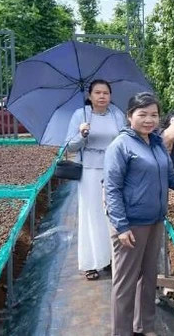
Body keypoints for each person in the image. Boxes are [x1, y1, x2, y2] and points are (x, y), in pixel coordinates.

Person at [104, 93, 174, 336]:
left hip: (155, 221)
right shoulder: (121, 146)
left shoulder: (156, 144)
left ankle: (144, 326)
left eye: (153, 115)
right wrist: (121, 226)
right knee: (125, 284)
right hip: (131, 225)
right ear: (130, 116)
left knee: (148, 280)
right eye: (142, 114)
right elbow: (111, 189)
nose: (149, 119)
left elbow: (171, 179)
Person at [65, 79, 125, 281]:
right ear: (90, 96)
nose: (101, 96)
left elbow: (125, 139)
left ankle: (109, 259)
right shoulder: (80, 115)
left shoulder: (117, 115)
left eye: (105, 93)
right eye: (97, 93)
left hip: (114, 170)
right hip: (90, 171)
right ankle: (90, 263)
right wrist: (81, 134)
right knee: (91, 215)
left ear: (110, 96)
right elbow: (69, 147)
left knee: (112, 214)